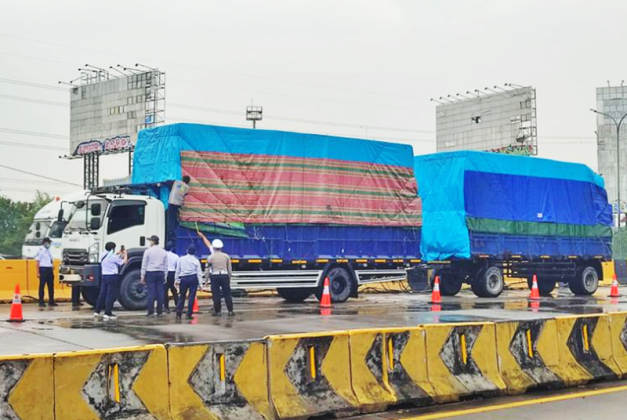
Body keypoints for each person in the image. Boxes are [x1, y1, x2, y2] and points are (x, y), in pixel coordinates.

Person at [198, 232, 234, 316]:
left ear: (213, 247)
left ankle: (217, 311)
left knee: (216, 294)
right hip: (224, 275)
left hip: (214, 276)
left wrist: (206, 280)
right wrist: (229, 278)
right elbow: (229, 269)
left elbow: (207, 270)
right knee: (227, 294)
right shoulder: (226, 256)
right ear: (221, 247)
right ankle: (230, 310)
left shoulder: (210, 257)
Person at [94, 242, 128, 320]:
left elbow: (109, 256)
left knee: (102, 294)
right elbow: (124, 262)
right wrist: (125, 254)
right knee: (110, 295)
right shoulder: (113, 257)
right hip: (112, 276)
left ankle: (97, 311)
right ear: (113, 248)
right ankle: (107, 313)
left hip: (104, 276)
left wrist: (118, 253)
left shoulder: (102, 254)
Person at [140, 235, 168, 316]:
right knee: (160, 292)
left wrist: (142, 276)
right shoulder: (163, 252)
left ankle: (150, 311)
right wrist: (165, 275)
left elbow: (144, 264)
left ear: (153, 241)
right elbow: (166, 265)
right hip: (160, 272)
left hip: (150, 272)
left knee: (151, 292)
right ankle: (159, 311)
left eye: (150, 241)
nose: (149, 242)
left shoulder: (148, 251)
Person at [175, 244, 203, 319]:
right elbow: (199, 273)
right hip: (193, 278)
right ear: (195, 252)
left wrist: (176, 280)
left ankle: (178, 313)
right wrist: (201, 284)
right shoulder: (196, 261)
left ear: (187, 250)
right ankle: (189, 314)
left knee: (182, 296)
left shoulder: (181, 259)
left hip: (183, 278)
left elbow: (178, 270)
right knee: (191, 296)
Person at [167, 175, 191, 241]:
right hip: (178, 204)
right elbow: (182, 192)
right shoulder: (187, 187)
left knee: (171, 218)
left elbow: (168, 182)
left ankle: (171, 232)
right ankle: (175, 228)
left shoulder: (176, 182)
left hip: (172, 202)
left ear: (182, 179)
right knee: (174, 216)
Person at [35, 237, 57, 307]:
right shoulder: (40, 250)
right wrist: (38, 272)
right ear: (45, 243)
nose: (49, 244)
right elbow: (37, 262)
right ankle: (41, 301)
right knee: (42, 286)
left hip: (49, 269)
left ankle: (51, 301)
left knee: (51, 286)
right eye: (49, 243)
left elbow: (50, 259)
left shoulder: (48, 250)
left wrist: (52, 265)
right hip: (43, 269)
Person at [164, 242, 180, 314]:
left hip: (165, 273)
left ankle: (166, 308)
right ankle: (178, 306)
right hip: (173, 273)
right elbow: (178, 266)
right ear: (172, 248)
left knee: (165, 291)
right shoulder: (175, 256)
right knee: (174, 291)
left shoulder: (163, 255)